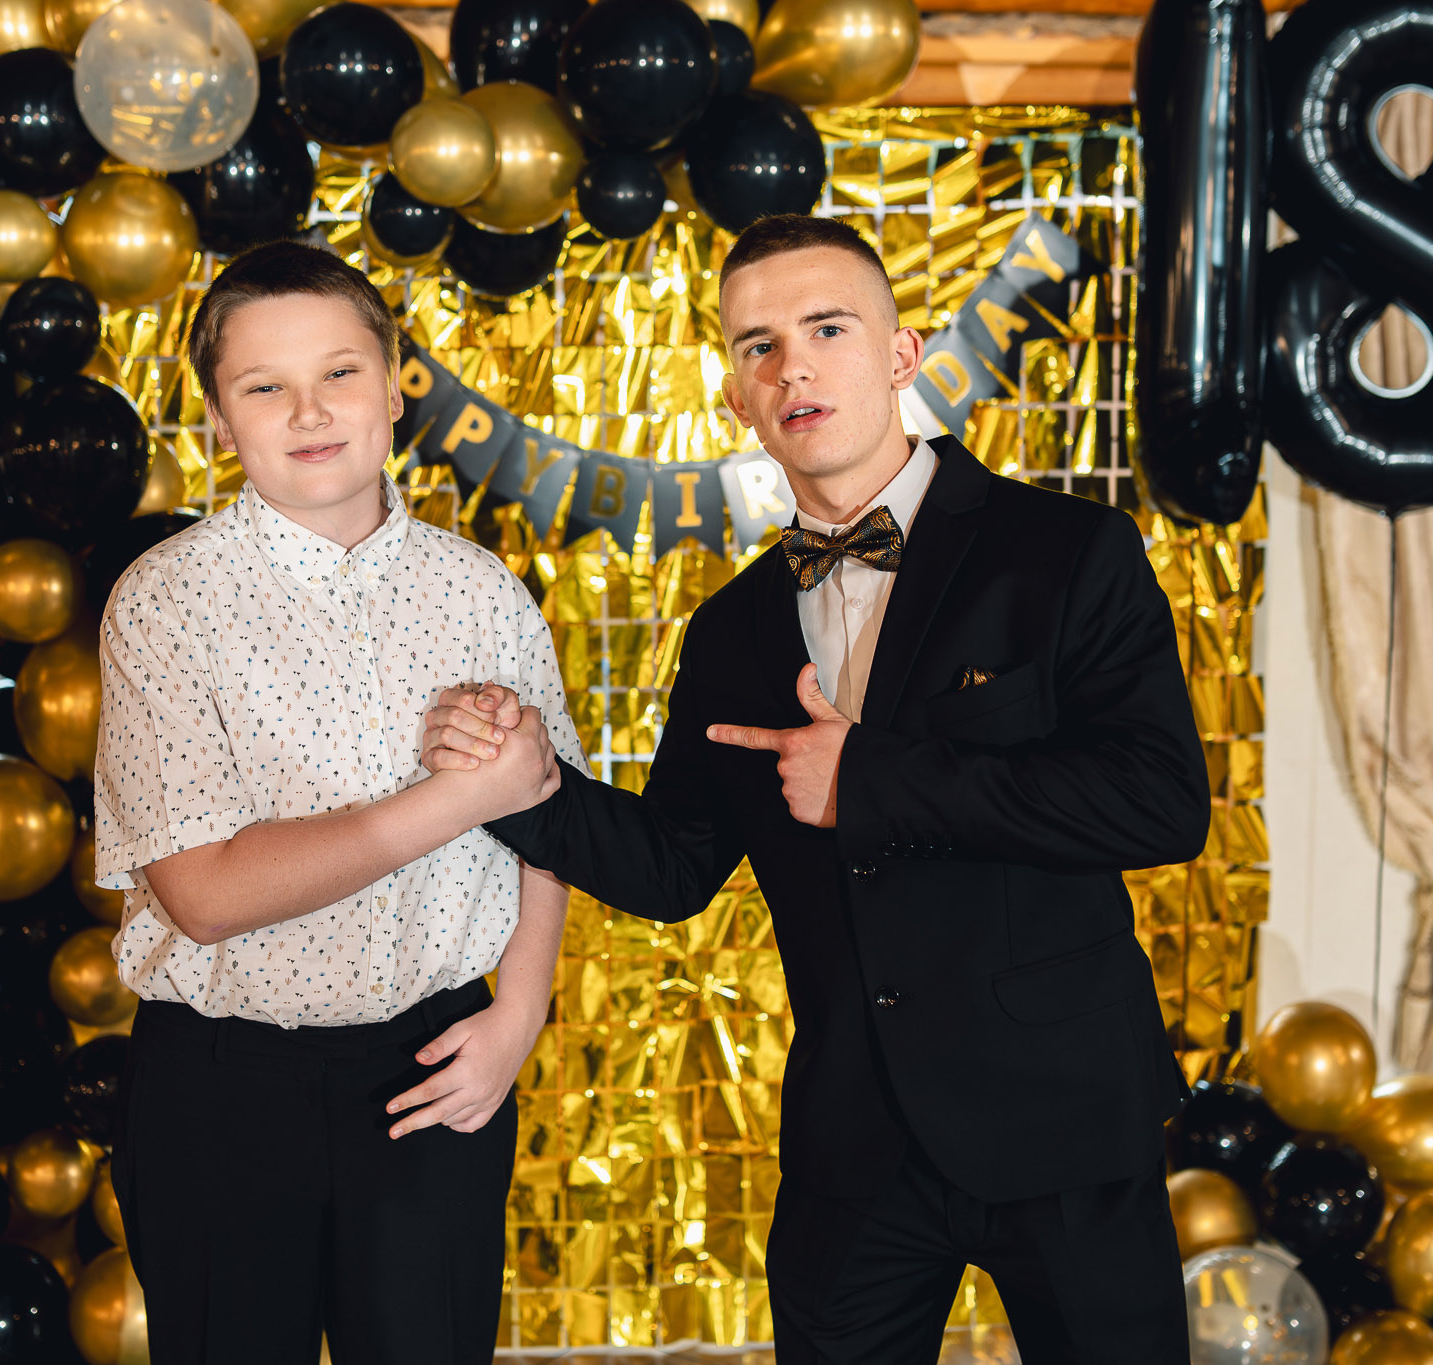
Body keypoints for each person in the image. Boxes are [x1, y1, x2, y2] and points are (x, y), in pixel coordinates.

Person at [422, 215, 1209, 1363]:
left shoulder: (1067, 551)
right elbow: (674, 868)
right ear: (733, 396)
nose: (791, 366)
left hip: (1061, 1115)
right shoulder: (730, 627)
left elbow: (1157, 802)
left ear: (901, 353)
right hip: (855, 1141)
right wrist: (526, 788)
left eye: (826, 329)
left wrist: (872, 779)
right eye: (758, 346)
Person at [93, 239, 585, 1365]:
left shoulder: (480, 591)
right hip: (222, 1083)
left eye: (340, 372)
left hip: (434, 1064)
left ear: (395, 385)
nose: (309, 411)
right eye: (265, 386)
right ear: (220, 419)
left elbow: (544, 827)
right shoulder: (164, 603)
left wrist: (518, 1014)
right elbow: (205, 895)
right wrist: (458, 798)